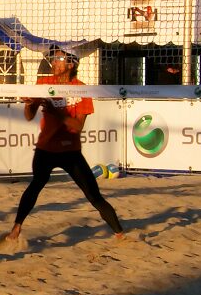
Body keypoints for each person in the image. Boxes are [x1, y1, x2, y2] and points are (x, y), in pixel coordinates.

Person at [7, 47, 124, 242]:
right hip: (46, 149)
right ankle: (16, 229)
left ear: (71, 64)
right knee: (36, 185)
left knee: (94, 196)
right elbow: (29, 117)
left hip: (71, 151)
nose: (54, 62)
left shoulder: (82, 89)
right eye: (53, 58)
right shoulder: (44, 83)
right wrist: (29, 104)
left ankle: (120, 234)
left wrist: (57, 112)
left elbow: (77, 127)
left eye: (59, 58)